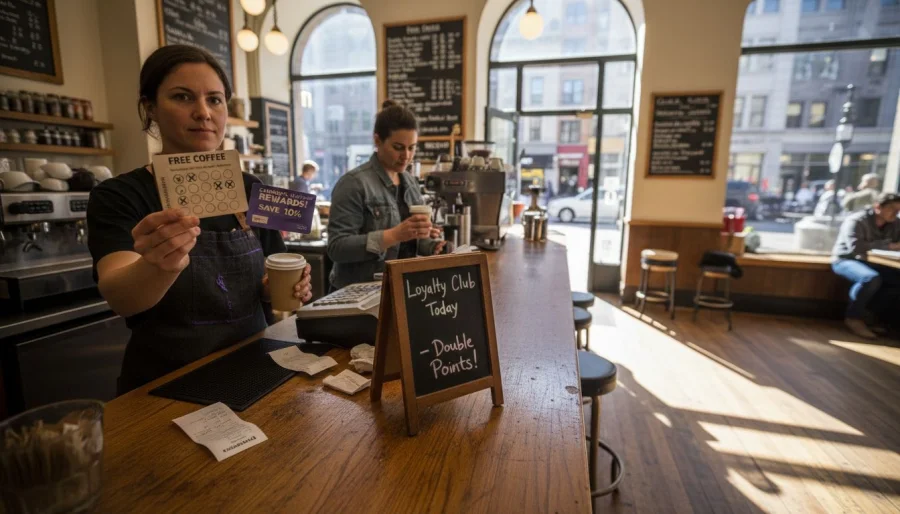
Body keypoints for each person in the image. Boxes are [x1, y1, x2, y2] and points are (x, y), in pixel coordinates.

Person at [87, 45, 313, 394]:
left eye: (215, 99)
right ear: (150, 109)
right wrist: (159, 265)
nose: (203, 113)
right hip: (167, 387)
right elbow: (121, 297)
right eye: (182, 97)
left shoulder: (251, 189)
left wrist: (286, 288)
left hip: (253, 371)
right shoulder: (120, 195)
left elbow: (269, 283)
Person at [326, 100, 445, 290]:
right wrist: (394, 234)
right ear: (377, 140)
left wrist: (430, 244)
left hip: (400, 288)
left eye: (412, 147)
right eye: (398, 147)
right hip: (357, 296)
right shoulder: (353, 183)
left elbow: (408, 244)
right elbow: (337, 248)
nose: (406, 155)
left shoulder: (411, 183)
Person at [831, 192, 900, 339]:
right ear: (878, 207)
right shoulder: (857, 220)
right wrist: (890, 246)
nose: (895, 212)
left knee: (896, 281)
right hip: (846, 260)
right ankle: (853, 318)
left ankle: (870, 316)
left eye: (898, 209)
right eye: (892, 209)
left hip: (876, 262)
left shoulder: (895, 224)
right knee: (870, 278)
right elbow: (856, 247)